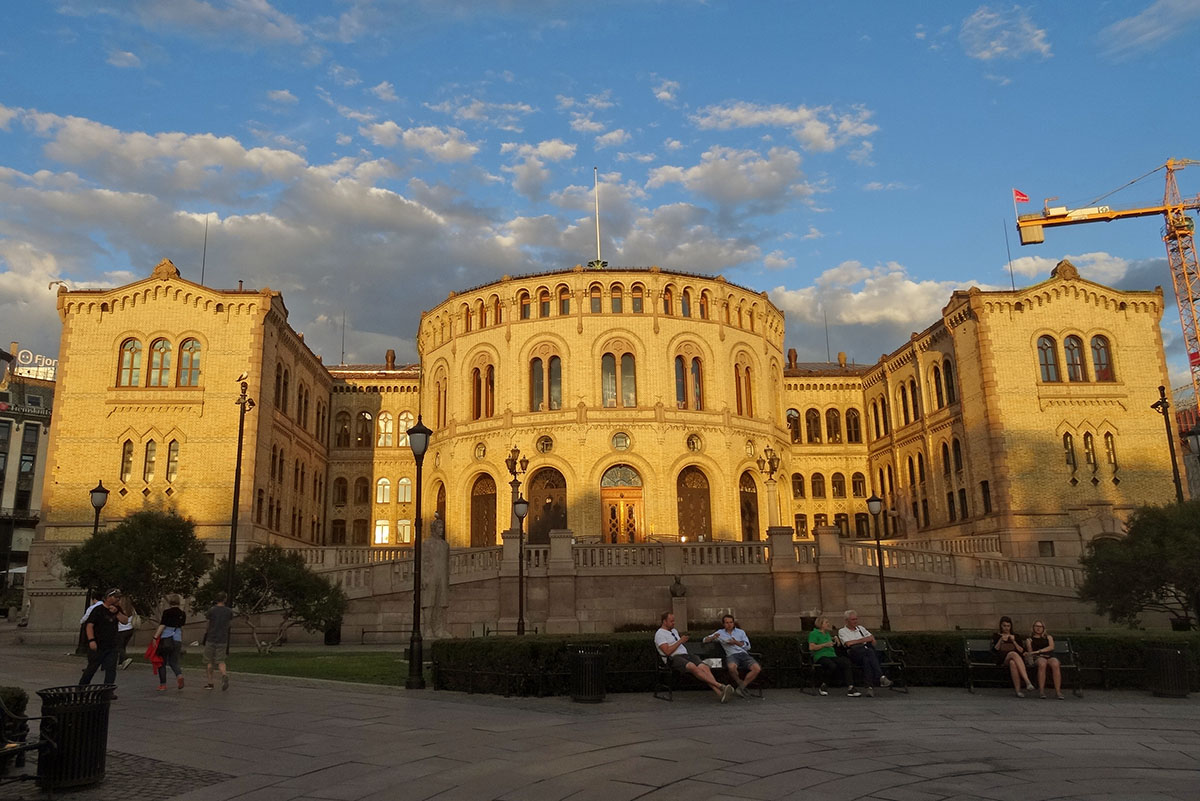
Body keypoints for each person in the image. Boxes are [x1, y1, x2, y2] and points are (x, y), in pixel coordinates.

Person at [655, 612, 735, 703]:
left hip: (685, 655)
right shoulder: (660, 634)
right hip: (673, 658)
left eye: (674, 621)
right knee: (692, 666)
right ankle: (720, 686)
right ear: (664, 621)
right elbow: (667, 651)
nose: (674, 623)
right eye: (671, 621)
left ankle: (720, 693)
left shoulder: (674, 631)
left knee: (704, 667)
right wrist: (680, 641)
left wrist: (681, 641)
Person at [80, 588, 129, 696]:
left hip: (112, 645)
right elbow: (89, 625)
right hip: (98, 645)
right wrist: (91, 640)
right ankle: (81, 689)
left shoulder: (117, 609)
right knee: (92, 668)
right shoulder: (98, 610)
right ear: (108, 597)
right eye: (116, 597)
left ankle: (108, 691)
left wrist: (117, 612)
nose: (118, 599)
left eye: (119, 597)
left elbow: (125, 621)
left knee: (111, 669)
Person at [703, 614, 761, 698]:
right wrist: (713, 637)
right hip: (731, 655)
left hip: (743, 654)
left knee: (756, 669)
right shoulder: (720, 632)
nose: (729, 624)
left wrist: (736, 642)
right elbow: (705, 640)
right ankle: (740, 683)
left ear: (734, 623)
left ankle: (741, 687)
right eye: (727, 623)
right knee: (732, 667)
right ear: (723, 624)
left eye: (731, 622)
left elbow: (748, 647)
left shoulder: (740, 632)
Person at [837, 610, 892, 696]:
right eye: (853, 619)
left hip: (865, 653)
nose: (855, 621)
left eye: (856, 619)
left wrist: (858, 641)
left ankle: (869, 688)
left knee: (867, 659)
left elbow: (873, 640)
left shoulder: (861, 628)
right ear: (847, 621)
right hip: (854, 654)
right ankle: (880, 676)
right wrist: (864, 640)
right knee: (869, 652)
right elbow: (848, 644)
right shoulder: (842, 631)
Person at [808, 616, 859, 697]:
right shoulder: (814, 634)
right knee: (831, 665)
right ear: (820, 624)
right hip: (821, 656)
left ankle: (851, 687)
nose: (828, 624)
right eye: (826, 622)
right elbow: (811, 647)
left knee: (846, 662)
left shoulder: (827, 634)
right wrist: (825, 645)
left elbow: (830, 641)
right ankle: (824, 685)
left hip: (831, 655)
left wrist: (835, 639)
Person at [993, 615, 1034, 697]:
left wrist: (1014, 641)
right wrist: (1000, 640)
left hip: (1016, 659)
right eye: (1004, 626)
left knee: (1013, 663)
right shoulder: (996, 636)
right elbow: (995, 650)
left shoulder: (1016, 636)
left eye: (1008, 626)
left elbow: (1021, 651)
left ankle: (1018, 691)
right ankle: (1027, 681)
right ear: (1001, 626)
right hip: (1003, 659)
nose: (1006, 628)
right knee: (1012, 653)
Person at [152, 594, 186, 691]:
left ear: (170, 602)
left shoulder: (167, 612)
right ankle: (179, 676)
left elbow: (162, 625)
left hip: (166, 639)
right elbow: (182, 628)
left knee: (162, 662)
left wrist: (155, 637)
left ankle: (163, 685)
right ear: (179, 602)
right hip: (177, 639)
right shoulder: (182, 614)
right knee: (174, 662)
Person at [203, 592, 234, 690]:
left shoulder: (211, 610)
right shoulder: (229, 611)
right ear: (225, 599)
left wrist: (206, 633)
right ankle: (224, 674)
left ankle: (210, 683)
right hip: (222, 639)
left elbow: (207, 624)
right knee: (221, 661)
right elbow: (229, 624)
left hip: (211, 638)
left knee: (209, 661)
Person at [1026, 620, 1063, 699]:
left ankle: (1058, 691)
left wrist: (1039, 651)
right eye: (1036, 626)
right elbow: (1031, 652)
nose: (1038, 628)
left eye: (1040, 626)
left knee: (1055, 663)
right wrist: (1037, 653)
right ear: (1033, 628)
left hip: (1049, 656)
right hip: (1038, 657)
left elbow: (1051, 647)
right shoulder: (1029, 640)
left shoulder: (1048, 637)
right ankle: (1041, 691)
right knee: (1042, 663)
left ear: (1043, 628)